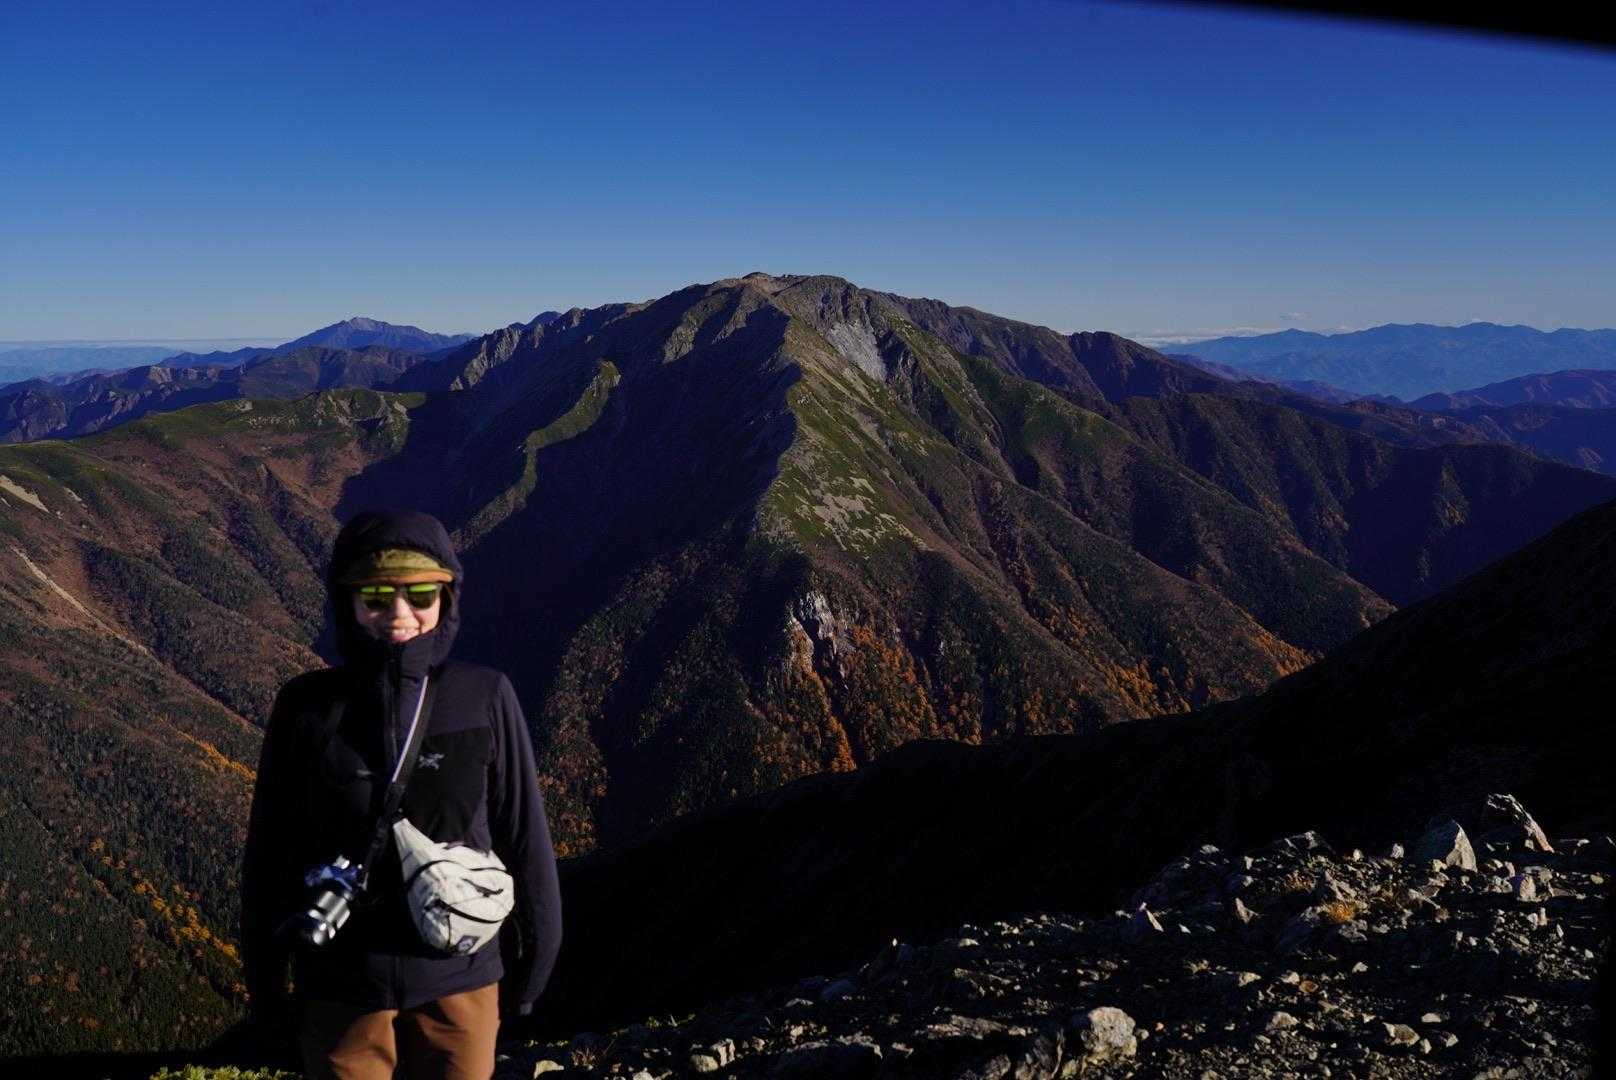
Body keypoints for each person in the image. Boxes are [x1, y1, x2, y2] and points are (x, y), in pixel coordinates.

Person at [240, 508, 563, 1080]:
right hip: (343, 988)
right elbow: (270, 854)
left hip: (459, 981)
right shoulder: (306, 708)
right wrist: (265, 987)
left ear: (446, 598)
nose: (399, 614)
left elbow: (524, 837)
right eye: (375, 596)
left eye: (419, 594)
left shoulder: (485, 696)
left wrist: (538, 961)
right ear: (347, 602)